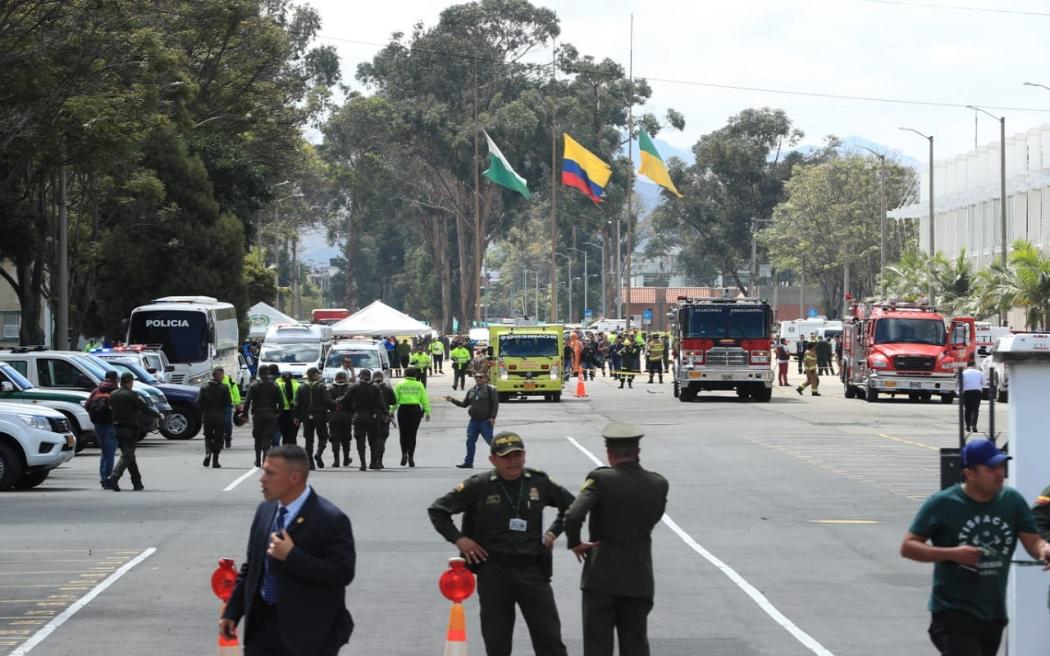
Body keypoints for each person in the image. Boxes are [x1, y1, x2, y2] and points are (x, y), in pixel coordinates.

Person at [428, 432, 574, 656]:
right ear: (492, 460)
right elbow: (438, 510)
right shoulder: (480, 486)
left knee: (549, 639)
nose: (512, 461)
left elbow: (572, 507)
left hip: (532, 572)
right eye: (505, 457)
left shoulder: (539, 482)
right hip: (494, 573)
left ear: (524, 456)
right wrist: (460, 539)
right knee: (497, 642)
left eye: (517, 455)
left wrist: (553, 533)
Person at [900, 438, 1050, 656]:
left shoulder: (1011, 501)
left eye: (1001, 466)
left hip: (993, 613)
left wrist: (1044, 550)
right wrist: (952, 554)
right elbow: (908, 547)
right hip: (953, 611)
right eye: (991, 468)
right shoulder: (943, 503)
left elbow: (1033, 541)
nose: (1000, 473)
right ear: (970, 473)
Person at [219, 445, 356, 656]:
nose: (262, 479)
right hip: (262, 628)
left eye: (270, 473)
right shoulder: (265, 510)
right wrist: (233, 612)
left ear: (294, 478)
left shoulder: (330, 519)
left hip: (309, 634)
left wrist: (292, 556)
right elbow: (252, 566)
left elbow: (342, 573)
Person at [564, 422, 669, 656]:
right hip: (639, 574)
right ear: (638, 453)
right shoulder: (658, 484)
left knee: (598, 644)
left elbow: (572, 515)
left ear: (609, 454)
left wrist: (575, 543)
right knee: (635, 642)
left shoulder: (601, 480)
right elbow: (653, 518)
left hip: (602, 575)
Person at [102, 373, 162, 491]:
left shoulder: (113, 395)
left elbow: (108, 409)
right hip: (130, 429)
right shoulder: (131, 395)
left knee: (129, 456)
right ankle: (114, 477)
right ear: (129, 382)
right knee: (128, 455)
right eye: (131, 382)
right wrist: (158, 415)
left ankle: (137, 482)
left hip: (117, 428)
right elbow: (144, 408)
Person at [446, 370, 499, 469]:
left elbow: (495, 404)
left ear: (486, 379)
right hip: (474, 421)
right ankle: (468, 462)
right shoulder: (471, 390)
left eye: (480, 377)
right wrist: (452, 400)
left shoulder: (491, 390)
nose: (478, 379)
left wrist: (493, 417)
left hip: (485, 421)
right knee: (470, 441)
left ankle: (502, 460)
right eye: (476, 377)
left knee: (490, 441)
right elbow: (464, 404)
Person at [343, 369, 383, 471]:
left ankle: (363, 463)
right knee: (373, 441)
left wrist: (350, 410)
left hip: (359, 415)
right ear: (370, 376)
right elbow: (381, 403)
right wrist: (385, 413)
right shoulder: (375, 387)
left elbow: (345, 400)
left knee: (360, 441)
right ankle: (373, 462)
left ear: (360, 376)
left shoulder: (354, 387)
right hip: (372, 416)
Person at [243, 366, 283, 468]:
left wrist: (244, 414)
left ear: (259, 374)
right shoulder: (275, 386)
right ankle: (265, 459)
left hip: (258, 415)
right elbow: (281, 403)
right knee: (267, 437)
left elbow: (247, 401)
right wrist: (277, 413)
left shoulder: (254, 386)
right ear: (268, 373)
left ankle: (257, 459)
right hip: (270, 414)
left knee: (257, 437)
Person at [392, 367, 430, 467]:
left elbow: (395, 400)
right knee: (412, 434)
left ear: (405, 374)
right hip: (415, 410)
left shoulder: (400, 384)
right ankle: (411, 456)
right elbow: (424, 399)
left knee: (403, 433)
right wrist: (427, 412)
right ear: (415, 375)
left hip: (403, 410)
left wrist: (391, 411)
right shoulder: (419, 385)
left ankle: (404, 453)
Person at [295, 367, 331, 471]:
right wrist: (335, 407)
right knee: (323, 436)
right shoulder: (321, 387)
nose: (319, 376)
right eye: (318, 374)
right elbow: (327, 401)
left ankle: (310, 462)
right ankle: (319, 453)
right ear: (314, 375)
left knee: (309, 440)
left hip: (306, 416)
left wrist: (296, 417)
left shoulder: (301, 387)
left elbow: (297, 403)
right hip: (320, 415)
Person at [87, 371, 118, 488]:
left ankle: (103, 477)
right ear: (115, 379)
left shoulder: (96, 390)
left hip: (97, 424)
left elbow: (87, 405)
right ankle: (107, 480)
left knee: (104, 452)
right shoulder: (114, 391)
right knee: (110, 453)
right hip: (110, 425)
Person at [199, 366, 233, 468]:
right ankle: (215, 460)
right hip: (220, 416)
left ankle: (208, 452)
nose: (223, 377)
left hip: (208, 416)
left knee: (208, 436)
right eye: (222, 375)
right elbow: (228, 402)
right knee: (218, 438)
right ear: (220, 375)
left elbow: (198, 402)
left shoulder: (204, 388)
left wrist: (205, 409)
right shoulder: (224, 387)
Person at [326, 371, 353, 468]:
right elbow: (352, 402)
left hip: (334, 416)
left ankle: (336, 461)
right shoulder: (349, 389)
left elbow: (327, 402)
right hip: (346, 416)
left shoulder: (330, 389)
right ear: (345, 378)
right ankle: (346, 459)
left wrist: (335, 406)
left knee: (334, 438)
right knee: (346, 438)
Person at [371, 371, 396, 470]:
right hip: (384, 416)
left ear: (373, 378)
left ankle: (373, 460)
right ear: (382, 378)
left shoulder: (370, 388)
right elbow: (393, 401)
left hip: (372, 417)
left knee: (373, 440)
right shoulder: (387, 389)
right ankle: (379, 460)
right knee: (382, 438)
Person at [276, 370, 301, 446]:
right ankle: (293, 451)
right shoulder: (298, 385)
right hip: (295, 412)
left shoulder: (278, 385)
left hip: (281, 412)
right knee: (293, 434)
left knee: (285, 434)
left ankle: (285, 450)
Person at [961, 359, 984, 433]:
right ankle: (974, 425)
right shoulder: (979, 372)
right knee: (975, 409)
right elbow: (984, 383)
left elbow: (960, 383)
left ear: (967, 366)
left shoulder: (963, 373)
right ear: (974, 365)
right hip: (977, 392)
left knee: (967, 409)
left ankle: (967, 426)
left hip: (967, 391)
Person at [223, 370, 243, 449]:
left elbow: (235, 391)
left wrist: (237, 403)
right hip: (216, 405)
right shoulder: (213, 380)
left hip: (227, 404)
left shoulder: (229, 379)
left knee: (227, 423)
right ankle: (219, 440)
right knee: (218, 423)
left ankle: (228, 439)